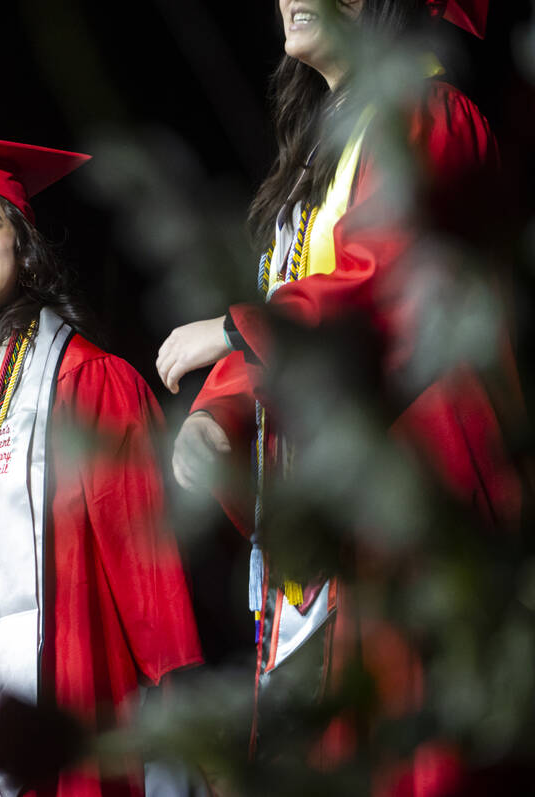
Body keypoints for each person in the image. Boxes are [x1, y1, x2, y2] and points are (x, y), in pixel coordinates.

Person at [154, 0, 521, 786]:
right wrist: (221, 415)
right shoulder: (325, 157)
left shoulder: (431, 115)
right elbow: (302, 293)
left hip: (412, 508)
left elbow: (377, 276)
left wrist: (232, 327)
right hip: (332, 524)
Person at [0, 135, 203, 796]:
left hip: (71, 695)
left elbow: (149, 575)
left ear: (23, 243)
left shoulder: (92, 383)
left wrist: (193, 722)